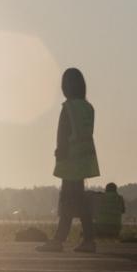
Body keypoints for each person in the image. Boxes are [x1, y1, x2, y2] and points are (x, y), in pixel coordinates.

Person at [37, 68, 100, 253]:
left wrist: (59, 154)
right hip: (85, 159)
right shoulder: (88, 108)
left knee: (67, 200)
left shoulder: (69, 108)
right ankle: (86, 240)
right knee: (78, 200)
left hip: (70, 160)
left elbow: (63, 134)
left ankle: (59, 240)